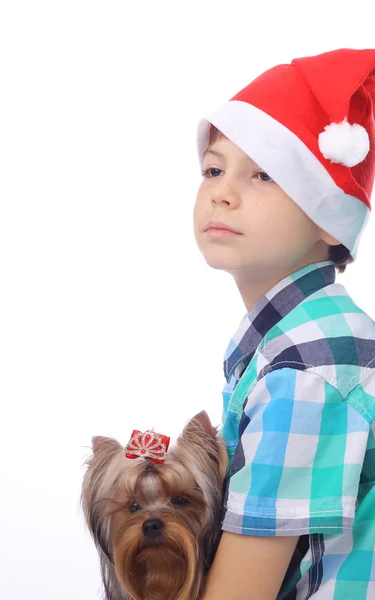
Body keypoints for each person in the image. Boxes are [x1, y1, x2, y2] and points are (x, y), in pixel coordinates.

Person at [193, 48, 375, 600]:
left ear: (329, 219)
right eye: (214, 168)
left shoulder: (307, 366)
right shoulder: (291, 339)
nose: (222, 191)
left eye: (265, 174)